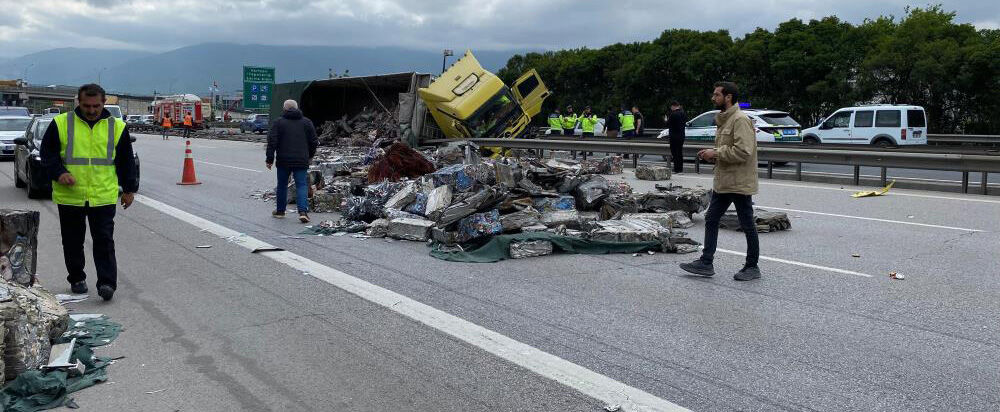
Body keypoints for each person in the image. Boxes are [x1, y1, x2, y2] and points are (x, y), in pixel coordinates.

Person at [39, 84, 139, 301]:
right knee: (73, 241)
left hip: (102, 195)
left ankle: (106, 283)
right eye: (86, 105)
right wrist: (59, 173)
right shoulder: (61, 123)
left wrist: (129, 189)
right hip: (70, 196)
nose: (91, 110)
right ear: (78, 102)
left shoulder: (118, 127)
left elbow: (125, 161)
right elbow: (47, 155)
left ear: (104, 103)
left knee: (104, 240)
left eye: (96, 105)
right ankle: (77, 278)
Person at [680, 81, 760, 281]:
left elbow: (743, 151)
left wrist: (714, 153)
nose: (713, 98)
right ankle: (706, 262)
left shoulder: (740, 120)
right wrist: (712, 155)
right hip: (725, 181)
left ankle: (752, 266)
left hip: (739, 182)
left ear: (728, 97)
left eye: (716, 95)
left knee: (747, 224)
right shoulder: (725, 119)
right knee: (711, 218)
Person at [266, 99, 318, 223]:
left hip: (283, 160)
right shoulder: (306, 122)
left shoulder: (278, 122)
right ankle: (303, 212)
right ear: (297, 108)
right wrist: (309, 156)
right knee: (301, 185)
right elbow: (314, 141)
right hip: (301, 160)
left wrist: (269, 159)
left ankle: (280, 211)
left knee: (282, 185)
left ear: (284, 109)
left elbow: (272, 141)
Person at [665, 101, 688, 173]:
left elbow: (668, 124)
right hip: (681, 136)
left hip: (674, 136)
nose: (671, 108)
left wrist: (666, 120)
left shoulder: (673, 114)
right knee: (680, 153)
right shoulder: (683, 114)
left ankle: (676, 169)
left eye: (671, 107)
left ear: (673, 106)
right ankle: (680, 169)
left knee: (675, 153)